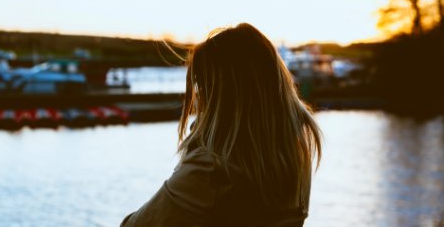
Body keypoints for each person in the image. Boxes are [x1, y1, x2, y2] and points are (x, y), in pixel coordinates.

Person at [121, 23, 322, 227]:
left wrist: (198, 142)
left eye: (202, 84)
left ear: (220, 95)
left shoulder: (211, 171)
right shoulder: (293, 156)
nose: (198, 97)